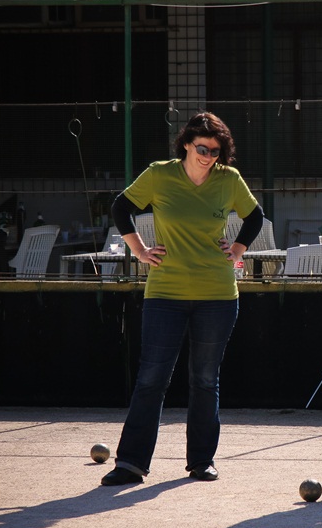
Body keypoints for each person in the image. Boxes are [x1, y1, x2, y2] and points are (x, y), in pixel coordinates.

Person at [101, 112, 264, 486]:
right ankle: (130, 464)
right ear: (187, 143)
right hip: (165, 293)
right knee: (151, 378)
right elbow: (120, 207)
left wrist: (238, 248)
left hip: (218, 295)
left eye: (216, 151)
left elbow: (255, 217)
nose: (208, 156)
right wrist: (141, 252)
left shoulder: (228, 180)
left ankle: (201, 461)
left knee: (205, 379)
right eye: (202, 148)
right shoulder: (160, 174)